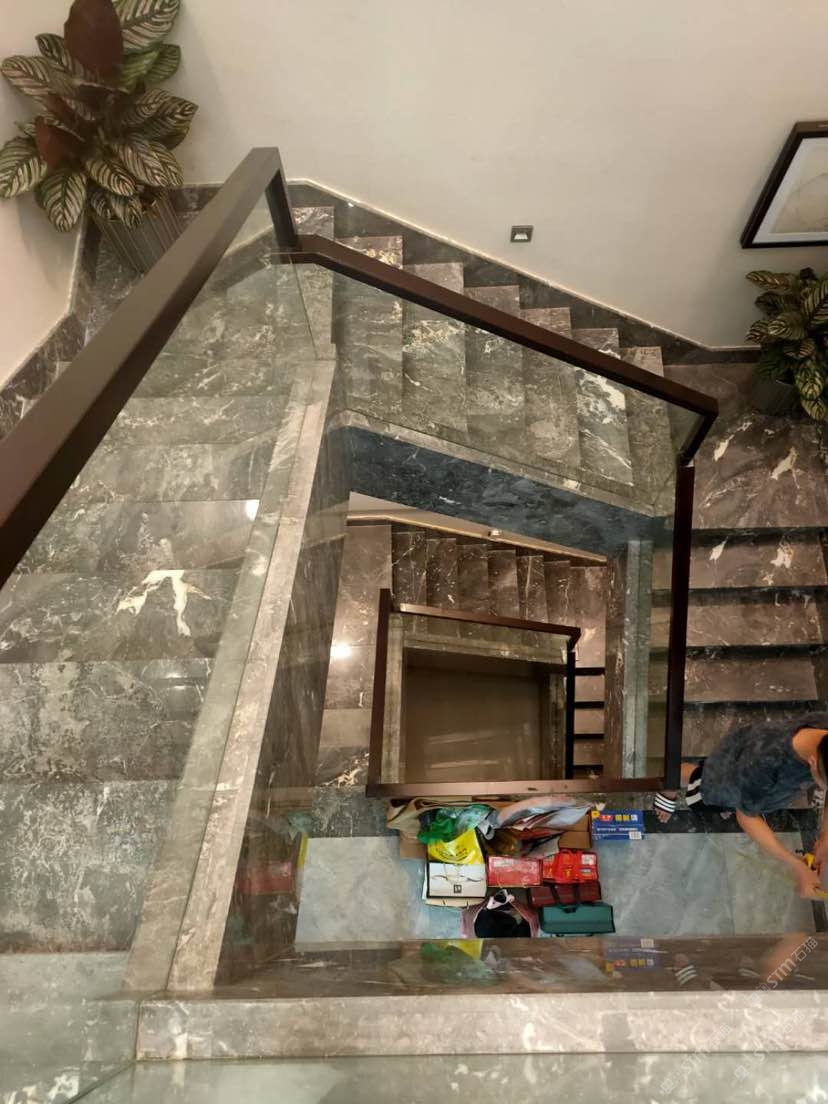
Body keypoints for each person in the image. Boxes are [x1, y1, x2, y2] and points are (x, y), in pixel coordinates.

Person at [653, 713, 828, 899]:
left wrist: (825, 836)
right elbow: (746, 815)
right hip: (735, 769)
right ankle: (669, 781)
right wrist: (795, 865)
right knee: (702, 779)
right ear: (813, 762)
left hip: (757, 761)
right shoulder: (765, 765)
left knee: (744, 793)